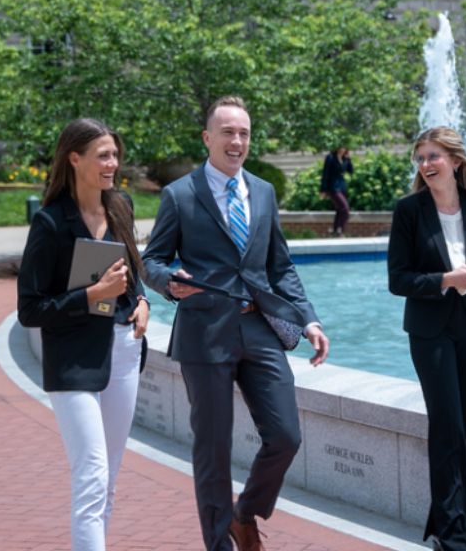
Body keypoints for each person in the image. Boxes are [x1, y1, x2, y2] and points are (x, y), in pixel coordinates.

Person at [142, 95, 329, 551]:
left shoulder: (262, 191)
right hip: (204, 333)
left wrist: (309, 320)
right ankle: (219, 544)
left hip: (258, 327)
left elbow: (280, 265)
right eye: (227, 132)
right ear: (208, 138)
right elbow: (152, 260)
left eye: (243, 132)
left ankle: (245, 514)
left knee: (286, 435)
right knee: (213, 449)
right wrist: (170, 283)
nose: (237, 140)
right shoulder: (180, 194)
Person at [17, 118, 150, 551]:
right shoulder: (51, 224)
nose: (112, 163)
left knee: (108, 478)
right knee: (92, 474)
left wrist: (143, 301)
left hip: (123, 354)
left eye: (115, 154)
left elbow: (133, 273)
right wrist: (91, 295)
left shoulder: (121, 207)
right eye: (103, 155)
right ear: (74, 159)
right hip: (72, 362)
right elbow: (30, 309)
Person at [387, 126, 466, 551]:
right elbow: (397, 280)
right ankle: (457, 542)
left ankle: (445, 524)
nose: (426, 165)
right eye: (420, 157)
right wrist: (445, 279)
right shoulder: (409, 211)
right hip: (430, 330)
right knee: (447, 426)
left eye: (433, 156)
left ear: (455, 161)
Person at [319, 146, 354, 236]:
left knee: (339, 210)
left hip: (342, 187)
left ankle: (335, 230)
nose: (343, 149)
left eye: (344, 147)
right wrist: (323, 190)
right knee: (345, 209)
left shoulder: (345, 158)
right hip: (333, 187)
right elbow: (325, 174)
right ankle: (340, 230)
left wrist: (349, 159)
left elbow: (351, 171)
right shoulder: (330, 157)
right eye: (341, 147)